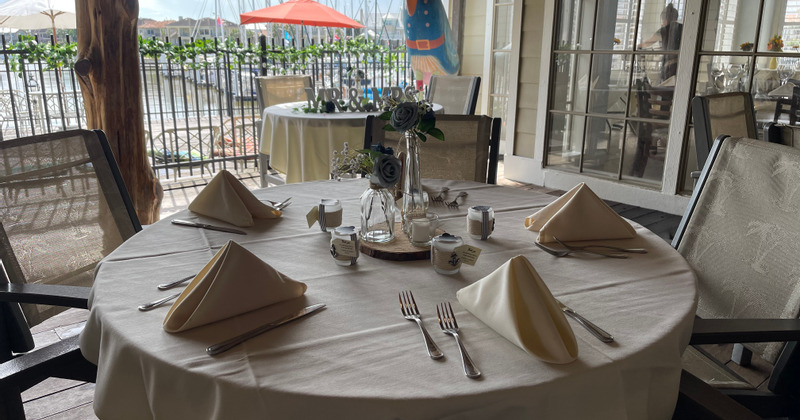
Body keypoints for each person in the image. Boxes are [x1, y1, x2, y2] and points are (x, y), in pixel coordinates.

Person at [638, 3, 682, 81]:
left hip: (669, 66)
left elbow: (647, 43)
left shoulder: (663, 31)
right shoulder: (682, 28)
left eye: (662, 20)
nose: (662, 22)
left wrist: (638, 46)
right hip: (681, 64)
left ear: (664, 19)